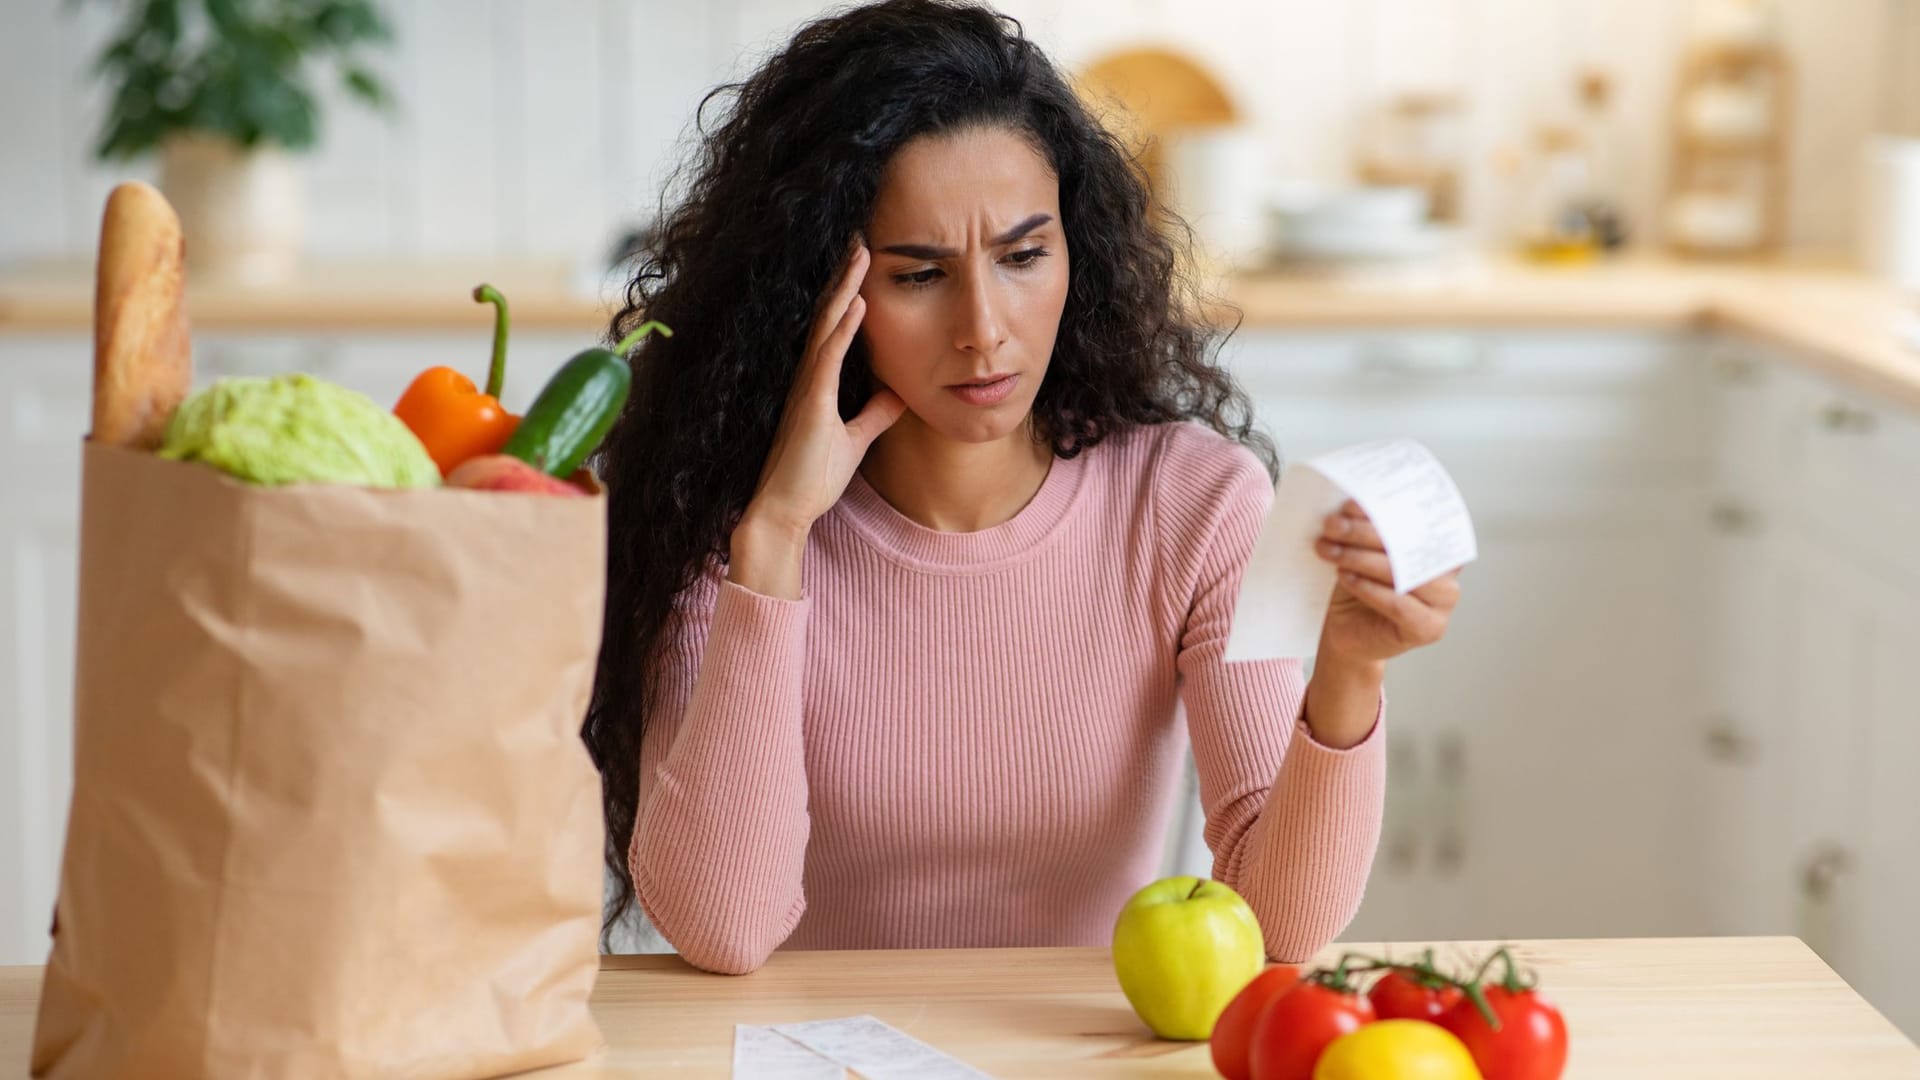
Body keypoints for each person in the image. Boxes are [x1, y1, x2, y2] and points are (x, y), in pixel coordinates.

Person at [585, 0, 1464, 975]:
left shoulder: (1192, 505)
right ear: (816, 291)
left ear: (1076, 254)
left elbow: (1279, 928)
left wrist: (1349, 672)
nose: (984, 329)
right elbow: (722, 930)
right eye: (919, 275)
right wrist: (774, 542)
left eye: (1022, 256)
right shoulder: (735, 519)